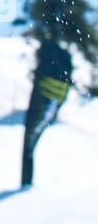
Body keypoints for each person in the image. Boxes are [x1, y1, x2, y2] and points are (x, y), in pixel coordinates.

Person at [21, 34, 73, 188]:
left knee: (29, 142)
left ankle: (25, 184)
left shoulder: (50, 46)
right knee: (30, 141)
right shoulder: (60, 52)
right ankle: (26, 182)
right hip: (56, 93)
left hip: (45, 92)